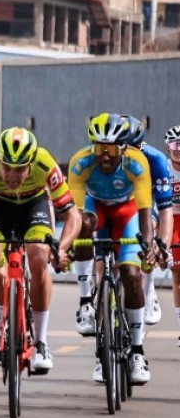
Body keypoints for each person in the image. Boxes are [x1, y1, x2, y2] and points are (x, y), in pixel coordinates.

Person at [0, 128, 81, 372]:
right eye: (7, 167)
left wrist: (61, 249)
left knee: (39, 258)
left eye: (20, 169)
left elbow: (73, 215)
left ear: (31, 163)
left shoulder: (45, 164)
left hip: (33, 206)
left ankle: (41, 341)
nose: (12, 175)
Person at [68, 113, 157, 384]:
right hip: (96, 210)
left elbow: (144, 213)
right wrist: (67, 245)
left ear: (124, 148)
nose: (104, 156)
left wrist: (148, 244)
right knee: (82, 227)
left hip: (127, 212)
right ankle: (86, 302)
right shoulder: (80, 163)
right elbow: (74, 214)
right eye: (98, 148)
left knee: (131, 275)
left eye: (110, 149)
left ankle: (137, 352)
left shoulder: (137, 163)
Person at [120, 116, 172, 326]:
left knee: (149, 230)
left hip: (145, 204)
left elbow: (165, 207)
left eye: (134, 148)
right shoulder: (104, 156)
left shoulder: (155, 159)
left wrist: (163, 244)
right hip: (114, 203)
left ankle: (148, 289)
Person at [164, 124, 180, 341]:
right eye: (174, 145)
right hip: (173, 221)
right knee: (178, 274)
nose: (178, 149)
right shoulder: (165, 168)